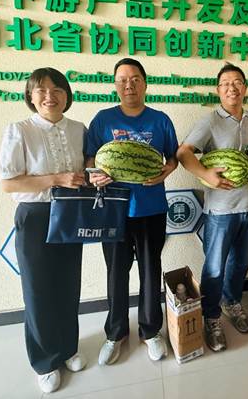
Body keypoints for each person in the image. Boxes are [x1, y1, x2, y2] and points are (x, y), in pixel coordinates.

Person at [0, 68, 87, 394]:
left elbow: (86, 168)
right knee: (38, 290)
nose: (50, 96)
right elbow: (9, 183)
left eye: (57, 89)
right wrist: (56, 179)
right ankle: (45, 361)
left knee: (68, 285)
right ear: (31, 96)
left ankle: (68, 348)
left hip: (71, 213)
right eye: (42, 90)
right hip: (35, 215)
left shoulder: (78, 129)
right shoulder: (19, 130)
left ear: (67, 95)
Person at [85, 58, 178, 365]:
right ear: (115, 85)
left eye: (135, 79)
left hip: (151, 208)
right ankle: (115, 333)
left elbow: (173, 158)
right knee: (116, 272)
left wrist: (166, 172)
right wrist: (94, 174)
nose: (129, 85)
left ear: (145, 83)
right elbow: (90, 158)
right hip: (114, 210)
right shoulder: (103, 120)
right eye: (123, 80)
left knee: (151, 270)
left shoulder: (160, 120)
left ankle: (151, 331)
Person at [177, 63, 248, 352]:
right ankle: (211, 317)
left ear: (245, 88)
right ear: (218, 90)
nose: (231, 88)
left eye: (237, 82)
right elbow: (183, 152)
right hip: (221, 211)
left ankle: (232, 303)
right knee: (214, 267)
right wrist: (205, 174)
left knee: (241, 262)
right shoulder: (210, 120)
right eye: (225, 83)